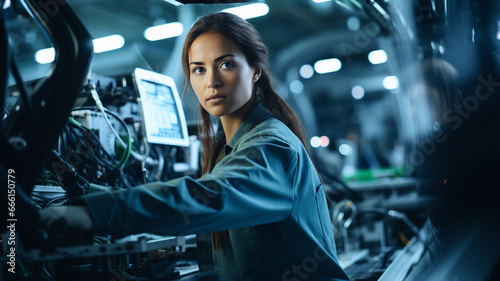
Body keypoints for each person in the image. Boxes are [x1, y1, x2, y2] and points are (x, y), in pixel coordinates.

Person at [41, 12, 348, 281]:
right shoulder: (226, 144)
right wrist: (81, 194)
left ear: (256, 71)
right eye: (198, 69)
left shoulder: (270, 146)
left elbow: (209, 199)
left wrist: (90, 213)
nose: (211, 81)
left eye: (226, 64)